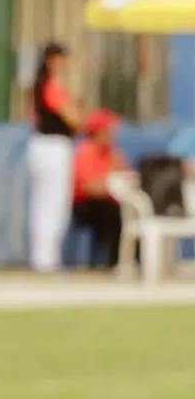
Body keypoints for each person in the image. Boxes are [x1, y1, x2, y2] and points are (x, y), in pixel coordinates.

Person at [27, 42, 86, 273]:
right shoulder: (51, 86)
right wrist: (78, 108)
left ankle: (43, 256)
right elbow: (75, 120)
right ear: (51, 60)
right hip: (53, 147)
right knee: (53, 202)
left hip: (43, 146)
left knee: (43, 202)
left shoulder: (42, 85)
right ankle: (45, 257)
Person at [71, 108, 130, 271]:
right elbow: (90, 188)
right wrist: (110, 178)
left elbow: (126, 179)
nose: (113, 133)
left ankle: (128, 261)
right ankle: (108, 262)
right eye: (109, 129)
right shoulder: (85, 152)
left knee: (126, 212)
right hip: (86, 205)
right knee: (110, 212)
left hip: (109, 202)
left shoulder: (113, 152)